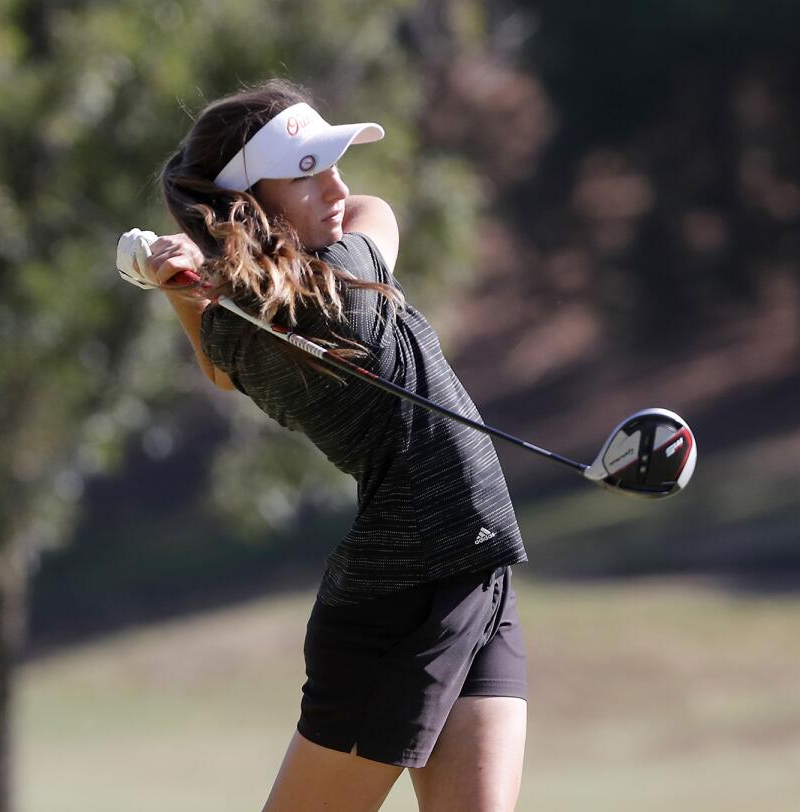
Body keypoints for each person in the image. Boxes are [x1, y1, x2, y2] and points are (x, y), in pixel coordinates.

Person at [135, 79, 529, 812]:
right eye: (309, 172)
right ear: (251, 200)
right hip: (403, 592)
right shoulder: (344, 290)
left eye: (333, 165)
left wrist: (184, 285)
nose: (339, 188)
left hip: (472, 568)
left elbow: (220, 364)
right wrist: (200, 277)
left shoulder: (243, 326)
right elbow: (380, 212)